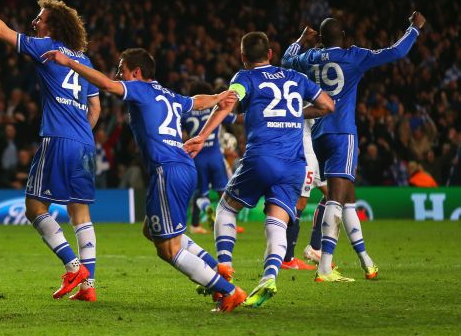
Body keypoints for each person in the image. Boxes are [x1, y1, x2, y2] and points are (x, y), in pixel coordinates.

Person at [43, 47, 247, 313]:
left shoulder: (140, 89)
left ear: (136, 73)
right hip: (180, 167)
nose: (118, 74)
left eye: (121, 69)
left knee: (168, 250)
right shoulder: (167, 93)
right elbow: (194, 101)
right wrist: (218, 96)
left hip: (168, 169)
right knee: (150, 230)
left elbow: (105, 84)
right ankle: (212, 265)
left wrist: (68, 62)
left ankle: (229, 291)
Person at [0, 0, 101, 301]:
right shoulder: (84, 60)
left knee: (33, 205)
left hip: (57, 138)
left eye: (39, 18)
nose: (34, 22)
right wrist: (82, 132)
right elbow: (95, 106)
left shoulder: (46, 48)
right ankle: (89, 287)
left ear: (52, 25)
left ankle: (72, 265)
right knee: (80, 213)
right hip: (84, 143)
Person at [184, 32, 334, 307]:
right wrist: (298, 113)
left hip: (261, 157)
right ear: (271, 53)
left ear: (243, 57)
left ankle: (225, 266)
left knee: (227, 208)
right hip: (293, 165)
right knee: (276, 221)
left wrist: (203, 136)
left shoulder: (245, 78)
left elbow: (229, 102)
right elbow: (327, 104)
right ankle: (269, 276)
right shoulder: (296, 78)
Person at [282, 11, 426, 282]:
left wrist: (301, 40)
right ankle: (324, 266)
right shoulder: (353, 56)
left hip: (319, 136)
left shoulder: (310, 58)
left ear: (321, 40)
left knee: (348, 199)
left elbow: (286, 60)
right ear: (344, 38)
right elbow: (395, 52)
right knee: (335, 200)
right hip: (342, 134)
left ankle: (366, 261)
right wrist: (414, 29)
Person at [182, 81, 240, 234]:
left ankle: (198, 222)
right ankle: (227, 225)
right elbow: (236, 119)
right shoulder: (214, 109)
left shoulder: (185, 112)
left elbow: (181, 134)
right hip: (215, 156)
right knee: (223, 192)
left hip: (197, 157)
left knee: (201, 193)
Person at [281, 116, 328, 270]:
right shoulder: (304, 94)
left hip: (313, 153)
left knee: (333, 196)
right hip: (304, 154)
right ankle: (287, 258)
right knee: (299, 203)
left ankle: (315, 247)